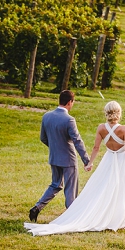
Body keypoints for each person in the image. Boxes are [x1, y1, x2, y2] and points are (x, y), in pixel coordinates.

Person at [24, 100, 125, 236]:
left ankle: (111, 218)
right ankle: (120, 221)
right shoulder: (124, 129)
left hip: (109, 161)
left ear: (106, 112)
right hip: (123, 162)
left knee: (105, 189)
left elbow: (96, 148)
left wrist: (90, 163)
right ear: (119, 113)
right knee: (124, 191)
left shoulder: (101, 128)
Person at [29, 90, 92, 223]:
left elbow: (43, 138)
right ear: (70, 102)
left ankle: (37, 207)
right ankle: (71, 217)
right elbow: (77, 141)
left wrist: (55, 147)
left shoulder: (46, 116)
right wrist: (86, 160)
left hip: (54, 157)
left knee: (55, 185)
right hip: (68, 159)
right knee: (70, 188)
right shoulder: (69, 119)